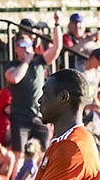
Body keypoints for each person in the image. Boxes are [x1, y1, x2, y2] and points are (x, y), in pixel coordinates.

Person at [6, 19, 63, 170]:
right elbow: (14, 78)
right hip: (20, 116)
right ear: (16, 48)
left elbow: (57, 49)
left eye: (29, 45)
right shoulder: (13, 66)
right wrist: (26, 62)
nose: (26, 49)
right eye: (22, 46)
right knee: (19, 155)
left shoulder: (39, 63)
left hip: (39, 115)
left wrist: (56, 24)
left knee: (44, 152)